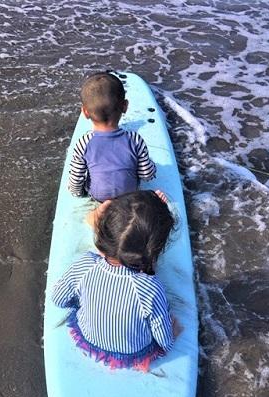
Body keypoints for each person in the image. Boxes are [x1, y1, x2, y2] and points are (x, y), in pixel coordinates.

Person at [52, 190, 181, 372]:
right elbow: (164, 341)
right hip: (134, 353)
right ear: (153, 252)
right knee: (168, 321)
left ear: (103, 235)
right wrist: (171, 337)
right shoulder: (150, 288)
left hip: (88, 340)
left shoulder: (85, 265)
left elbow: (58, 299)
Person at [68, 72, 156, 202]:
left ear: (85, 112)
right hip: (130, 196)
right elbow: (147, 175)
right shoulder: (135, 139)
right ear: (125, 106)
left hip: (99, 197)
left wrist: (79, 193)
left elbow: (76, 181)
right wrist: (153, 167)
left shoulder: (84, 143)